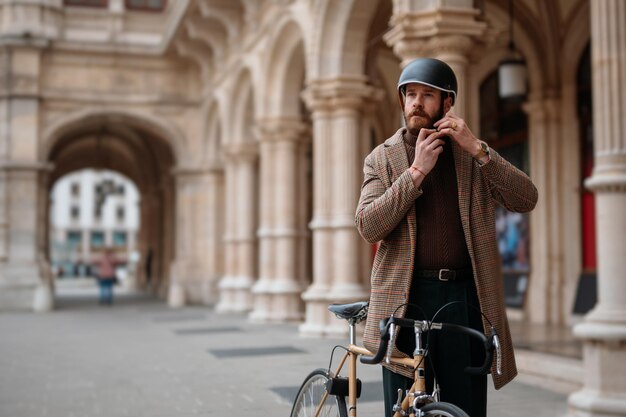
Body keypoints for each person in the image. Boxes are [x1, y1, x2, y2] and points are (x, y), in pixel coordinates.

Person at [355, 58, 538, 417]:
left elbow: (526, 198)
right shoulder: (382, 159)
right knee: (403, 405)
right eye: (410, 94)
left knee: (464, 403)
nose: (416, 103)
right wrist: (416, 173)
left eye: (427, 95)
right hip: (404, 297)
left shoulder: (471, 157)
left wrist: (479, 149)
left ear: (447, 103)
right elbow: (368, 226)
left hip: (462, 296)